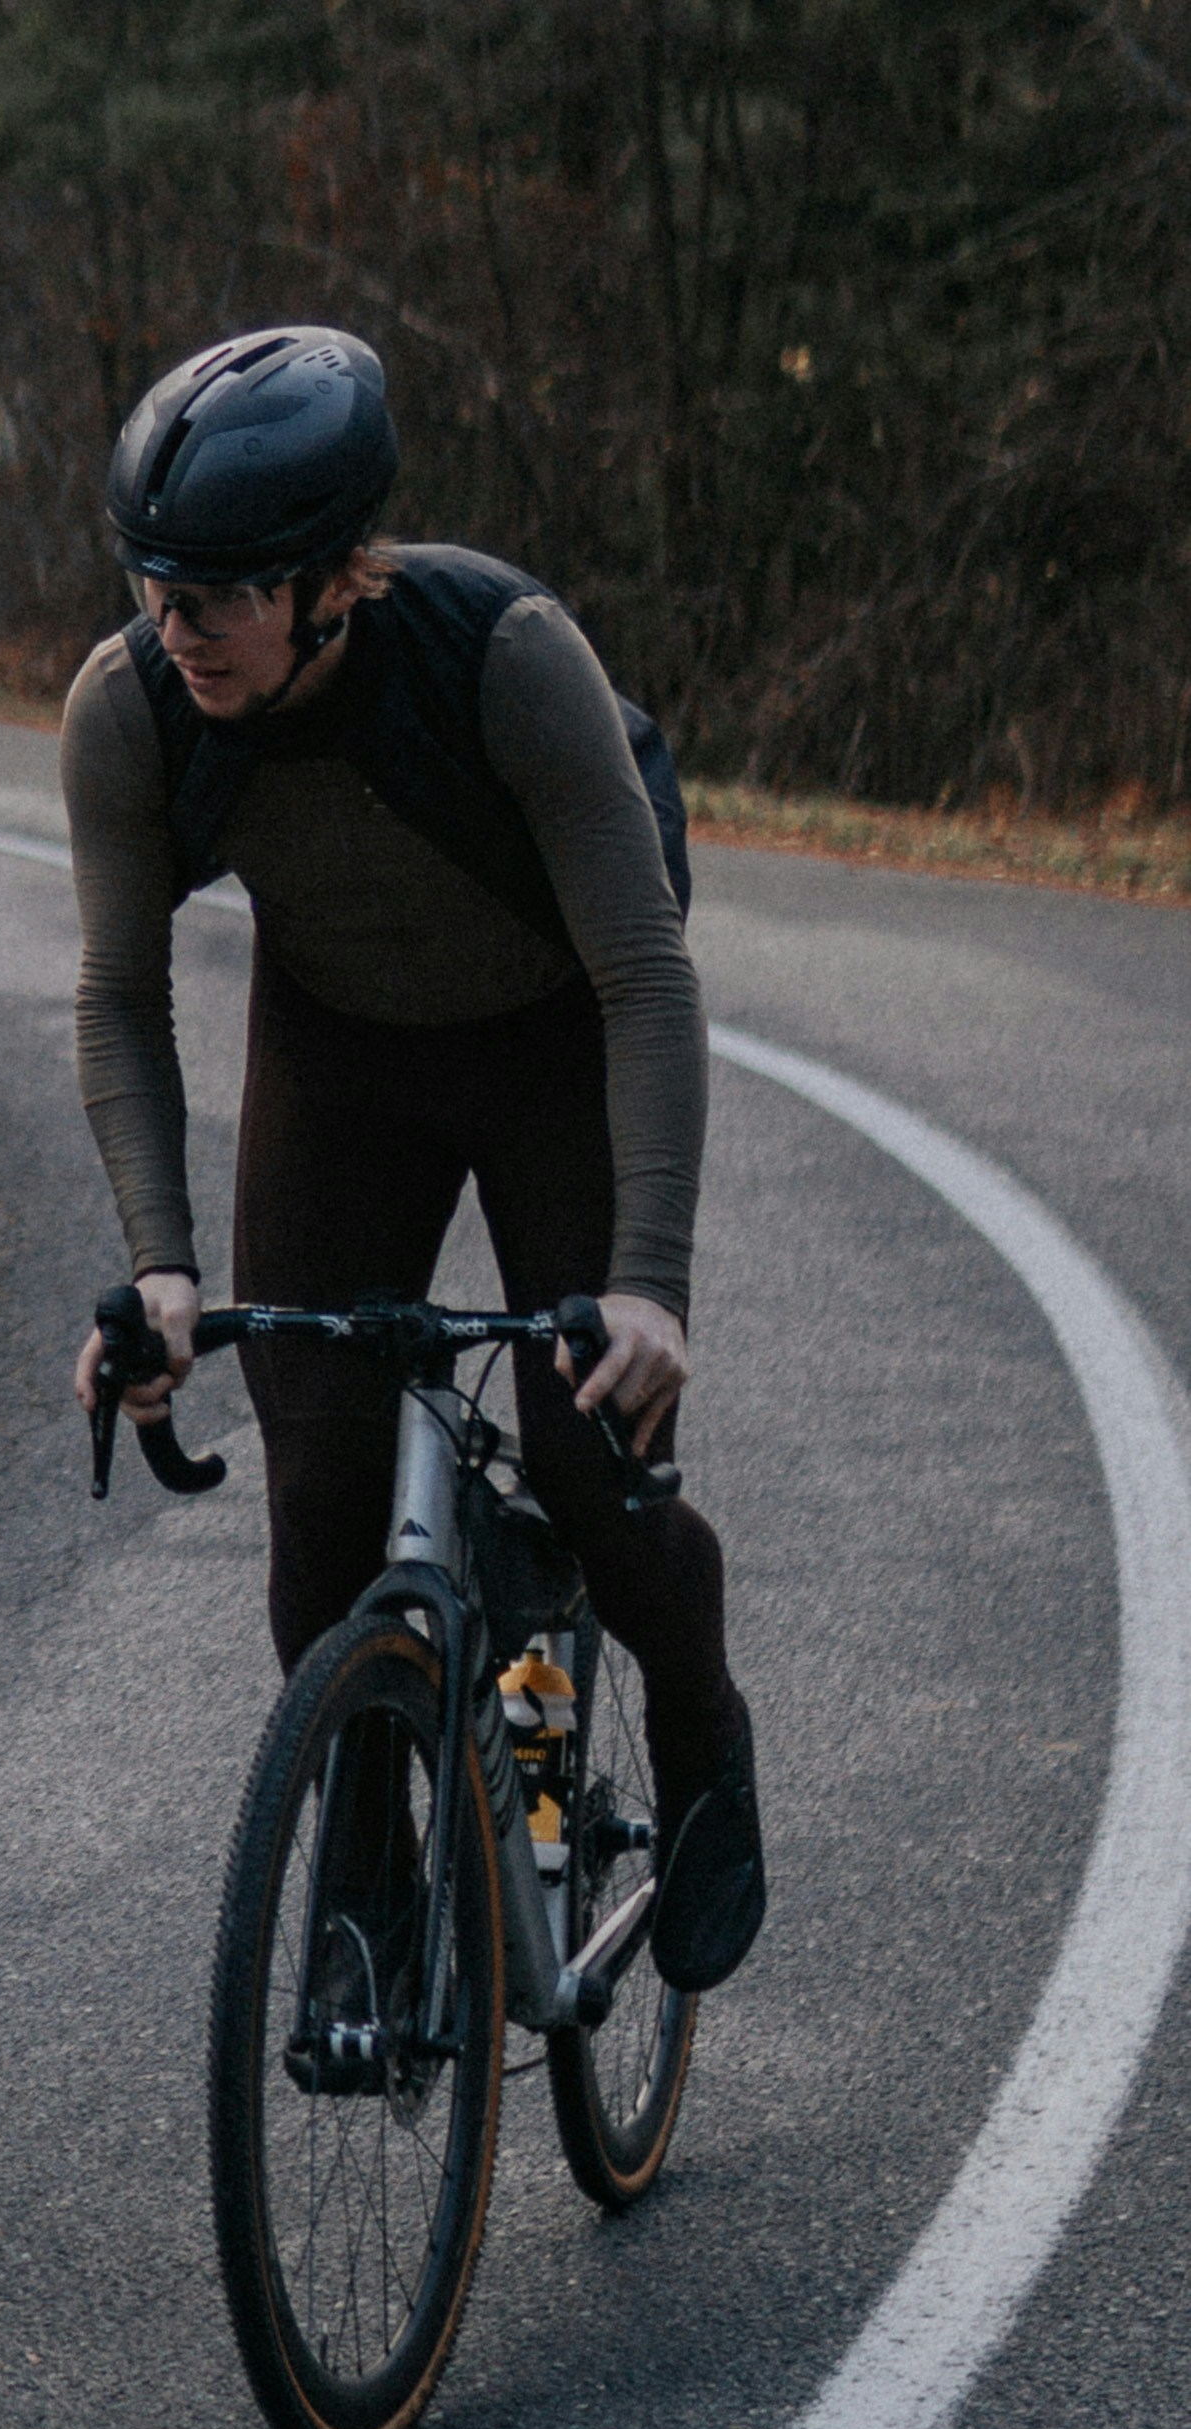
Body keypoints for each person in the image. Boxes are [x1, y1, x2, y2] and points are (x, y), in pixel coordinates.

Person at [63, 324, 765, 1994]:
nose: (178, 628)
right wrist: (160, 1268)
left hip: (555, 1034)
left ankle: (695, 1719)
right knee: (314, 1482)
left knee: (588, 1457)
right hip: (339, 1048)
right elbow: (116, 994)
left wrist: (645, 1287)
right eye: (155, 587)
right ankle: (367, 1863)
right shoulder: (135, 709)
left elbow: (647, 975)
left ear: (333, 578)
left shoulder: (501, 655)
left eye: (218, 595)